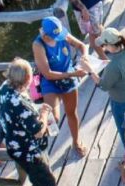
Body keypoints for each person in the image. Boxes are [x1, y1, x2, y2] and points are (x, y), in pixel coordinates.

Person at [0, 58, 70, 186]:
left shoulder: (4, 88)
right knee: (43, 177)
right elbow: (37, 131)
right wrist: (44, 113)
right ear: (27, 79)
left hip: (18, 144)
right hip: (27, 149)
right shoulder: (18, 102)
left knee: (42, 174)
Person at [32, 16, 90, 157]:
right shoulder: (38, 45)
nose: (59, 38)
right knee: (53, 118)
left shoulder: (61, 34)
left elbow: (82, 46)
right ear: (44, 35)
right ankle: (39, 144)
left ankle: (76, 141)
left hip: (69, 77)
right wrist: (73, 74)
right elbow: (48, 73)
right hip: (51, 81)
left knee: (71, 112)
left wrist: (85, 57)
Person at [88, 27, 125, 148]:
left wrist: (90, 71)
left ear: (111, 45)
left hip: (122, 100)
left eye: (104, 45)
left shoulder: (113, 66)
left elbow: (103, 86)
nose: (103, 47)